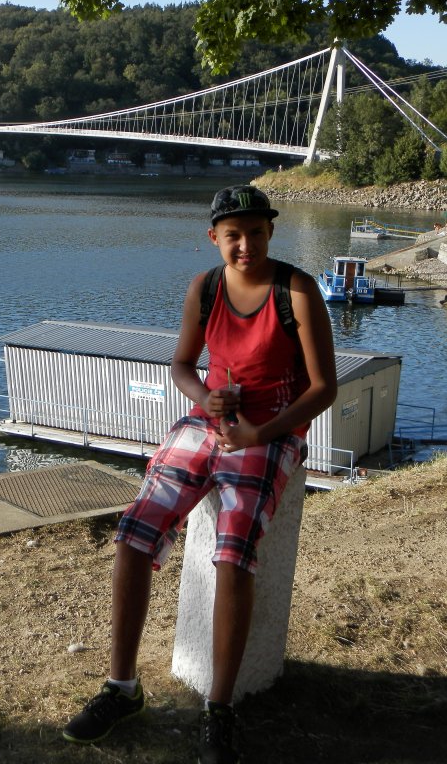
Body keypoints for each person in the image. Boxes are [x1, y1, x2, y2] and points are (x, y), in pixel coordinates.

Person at [62, 185, 337, 763]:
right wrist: (205, 397)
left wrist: (261, 433)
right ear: (214, 238)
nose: (246, 245)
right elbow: (183, 365)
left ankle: (220, 707)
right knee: (135, 533)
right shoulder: (205, 289)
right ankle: (121, 687)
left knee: (232, 553)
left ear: (271, 231)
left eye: (256, 232)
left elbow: (323, 388)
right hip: (208, 421)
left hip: (271, 430)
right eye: (233, 235)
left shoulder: (296, 290)